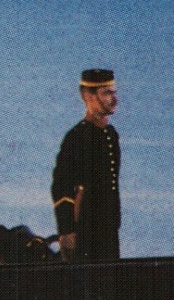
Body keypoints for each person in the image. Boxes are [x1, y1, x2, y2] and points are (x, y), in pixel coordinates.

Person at [51, 69, 122, 262]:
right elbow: (61, 185)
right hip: (85, 226)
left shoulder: (111, 135)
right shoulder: (77, 136)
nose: (114, 99)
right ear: (88, 96)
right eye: (107, 93)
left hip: (109, 225)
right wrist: (66, 231)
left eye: (114, 92)